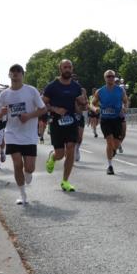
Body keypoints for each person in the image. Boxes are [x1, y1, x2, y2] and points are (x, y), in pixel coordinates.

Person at [0, 64, 46, 205]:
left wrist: (29, 116)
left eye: (19, 71)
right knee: (17, 164)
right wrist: (2, 113)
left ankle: (28, 173)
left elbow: (43, 109)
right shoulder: (4, 94)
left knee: (29, 168)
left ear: (23, 75)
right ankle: (22, 195)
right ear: (9, 75)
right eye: (13, 71)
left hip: (29, 135)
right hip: (12, 134)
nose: (16, 73)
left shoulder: (31, 91)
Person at [42, 59, 88, 192]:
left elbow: (81, 107)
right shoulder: (52, 86)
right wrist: (55, 109)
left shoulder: (76, 87)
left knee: (71, 148)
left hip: (71, 122)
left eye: (70, 67)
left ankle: (65, 181)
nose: (67, 69)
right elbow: (42, 104)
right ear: (60, 69)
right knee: (60, 154)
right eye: (65, 67)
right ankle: (53, 157)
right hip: (56, 123)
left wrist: (83, 103)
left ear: (72, 69)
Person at [94, 69, 129, 175]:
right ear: (105, 78)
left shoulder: (120, 90)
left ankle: (113, 150)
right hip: (105, 119)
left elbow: (126, 101)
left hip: (117, 119)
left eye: (112, 76)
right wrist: (94, 108)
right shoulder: (100, 91)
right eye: (108, 76)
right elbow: (93, 103)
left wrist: (125, 108)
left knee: (116, 144)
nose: (111, 78)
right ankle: (110, 166)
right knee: (109, 141)